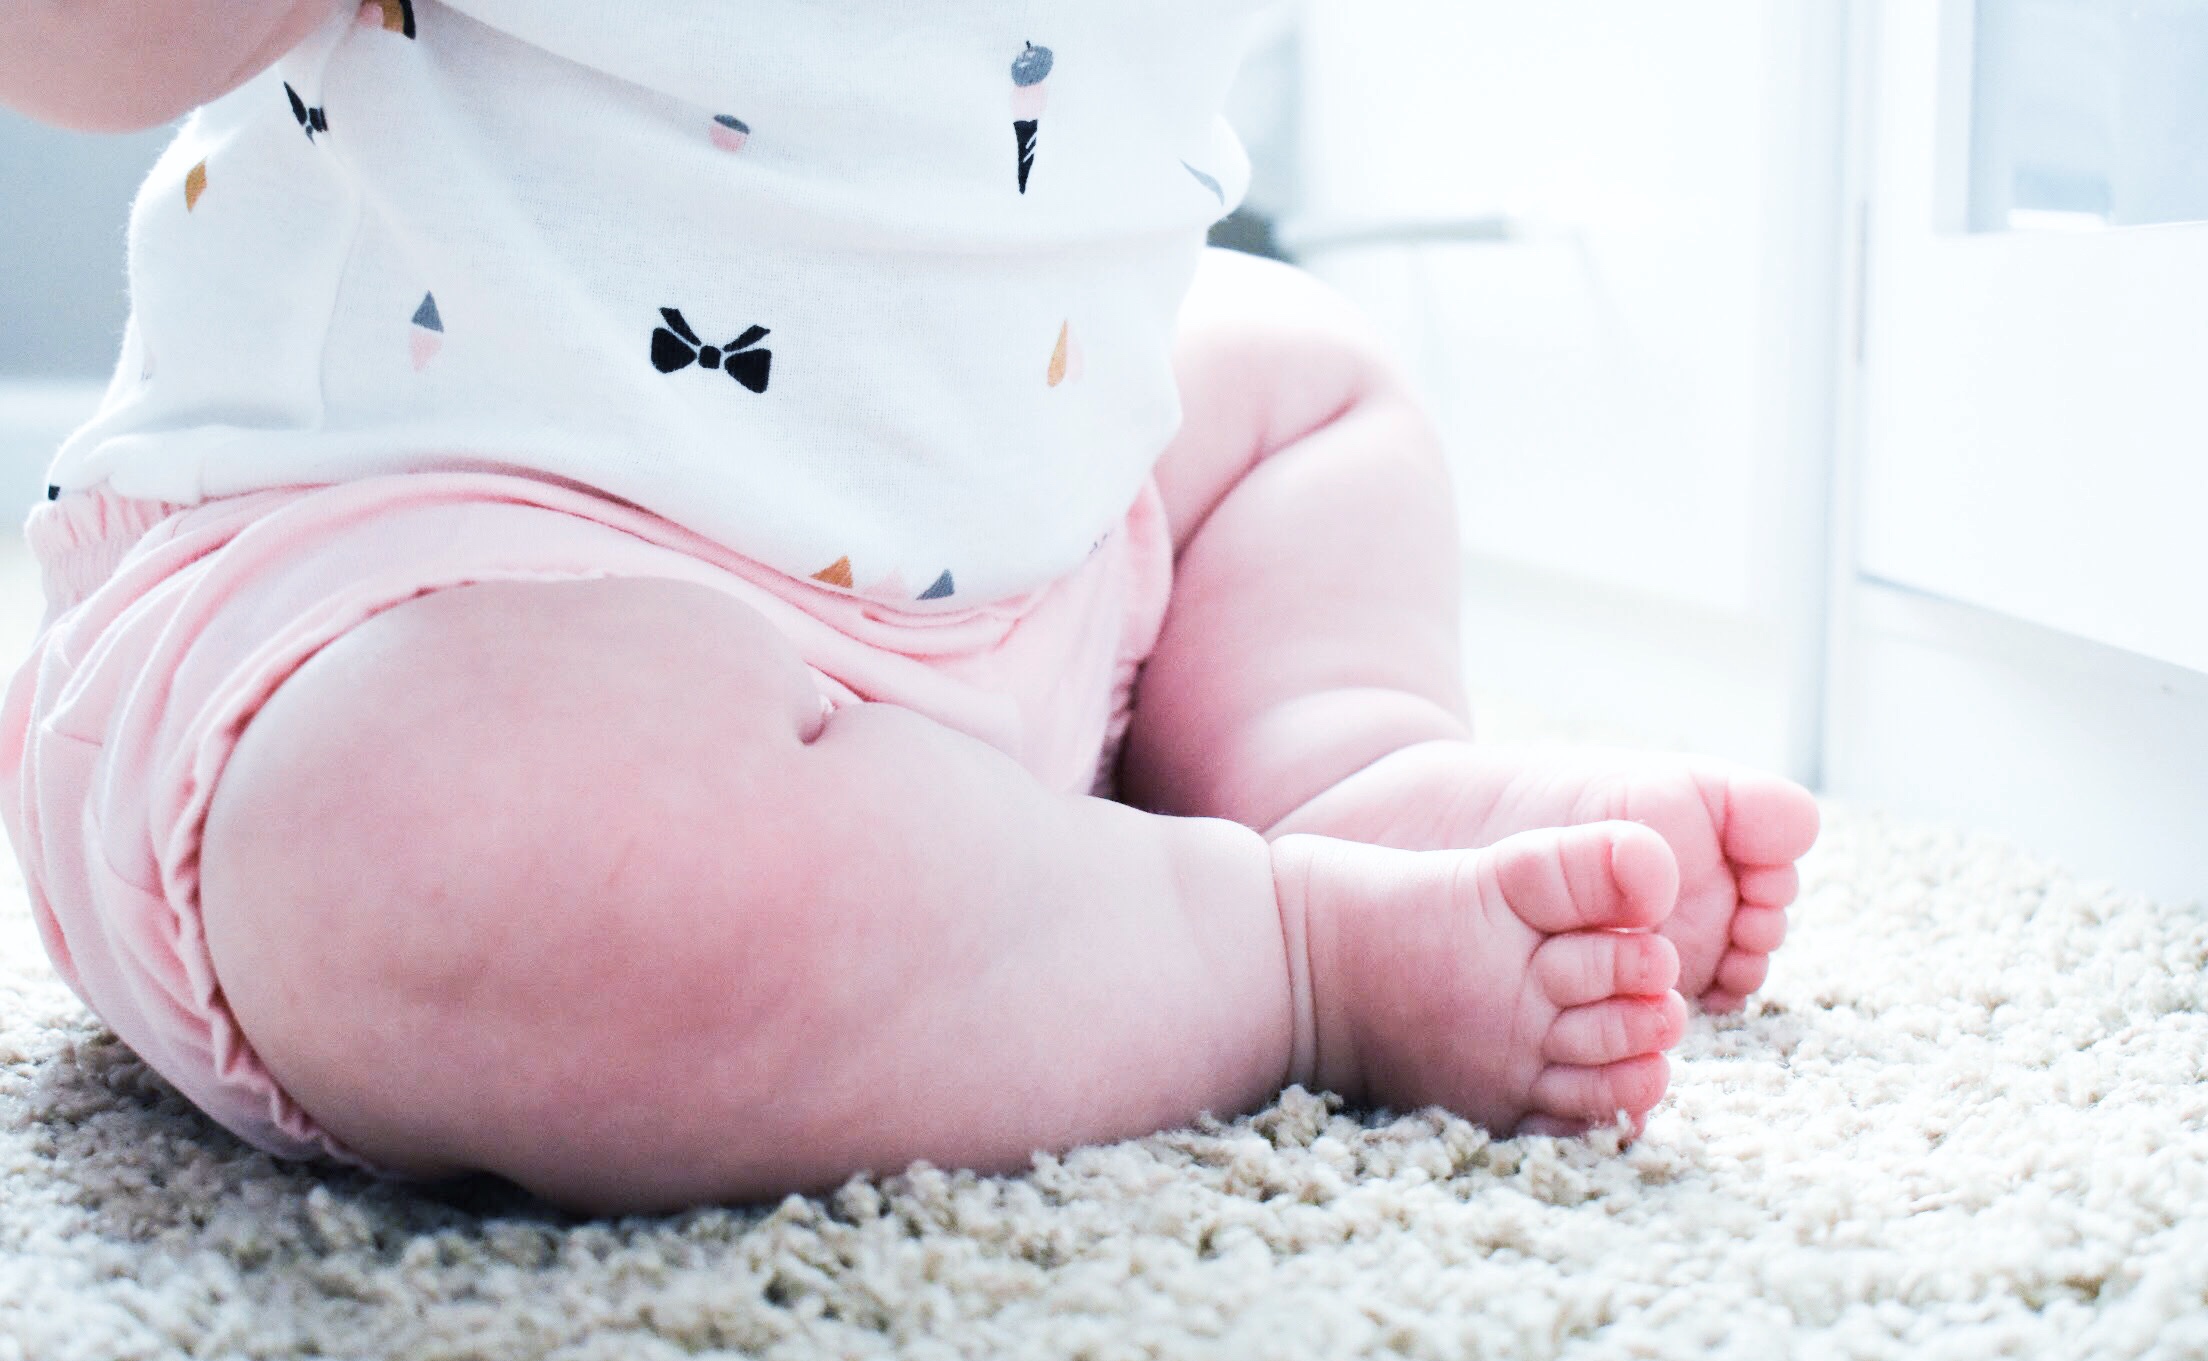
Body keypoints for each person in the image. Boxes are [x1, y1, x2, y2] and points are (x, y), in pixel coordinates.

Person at [0, 0, 1819, 1213]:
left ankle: (1336, 763)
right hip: (440, 584)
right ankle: (1276, 952)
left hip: (1041, 540)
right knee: (437, 837)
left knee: (1313, 381)